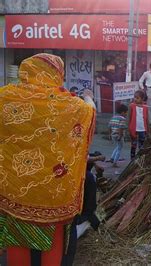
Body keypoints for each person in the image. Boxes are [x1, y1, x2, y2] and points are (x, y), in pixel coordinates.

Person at [0, 53, 95, 265]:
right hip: (54, 192)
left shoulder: (4, 96)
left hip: (15, 187)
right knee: (54, 240)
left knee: (18, 238)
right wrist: (88, 96)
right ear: (57, 73)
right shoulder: (70, 105)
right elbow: (88, 113)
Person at [129, 90, 149, 159]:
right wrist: (127, 128)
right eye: (134, 97)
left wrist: (148, 129)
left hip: (142, 129)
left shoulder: (146, 107)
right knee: (133, 145)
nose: (135, 99)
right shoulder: (131, 106)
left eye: (137, 98)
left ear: (142, 99)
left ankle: (140, 158)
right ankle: (132, 158)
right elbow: (128, 118)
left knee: (141, 145)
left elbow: (147, 119)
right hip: (134, 129)